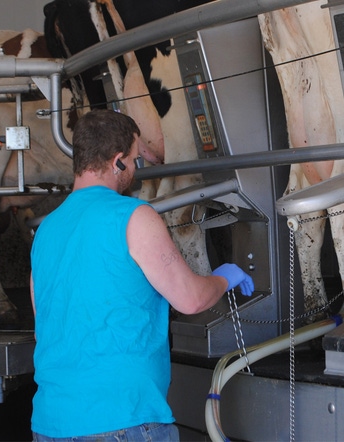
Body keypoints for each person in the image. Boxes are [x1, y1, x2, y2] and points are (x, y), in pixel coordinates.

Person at [29, 109, 254, 441]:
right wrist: (223, 278)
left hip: (51, 424)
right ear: (118, 161)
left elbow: (44, 326)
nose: (135, 169)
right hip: (122, 419)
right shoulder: (134, 217)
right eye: (135, 159)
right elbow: (190, 299)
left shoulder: (46, 229)